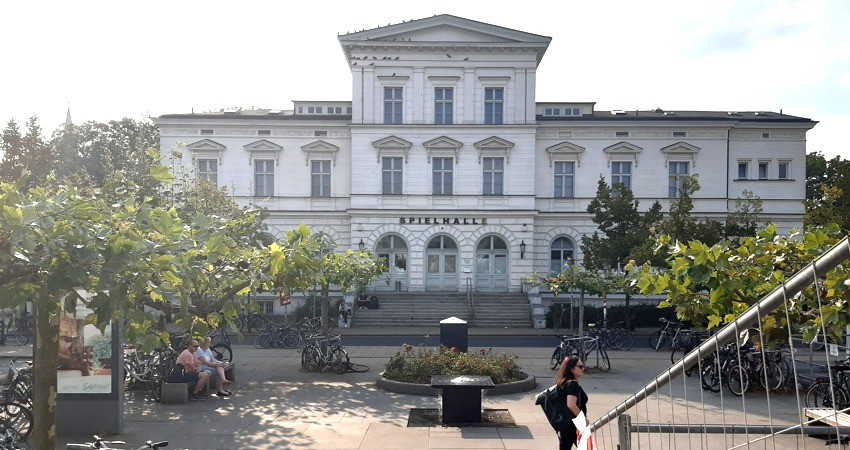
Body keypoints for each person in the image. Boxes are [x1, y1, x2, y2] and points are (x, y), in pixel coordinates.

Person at [556, 355, 589, 449]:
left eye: (584, 366)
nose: (583, 369)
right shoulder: (572, 384)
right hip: (573, 424)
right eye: (580, 366)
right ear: (571, 368)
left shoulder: (564, 382)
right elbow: (571, 404)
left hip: (566, 423)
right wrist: (583, 419)